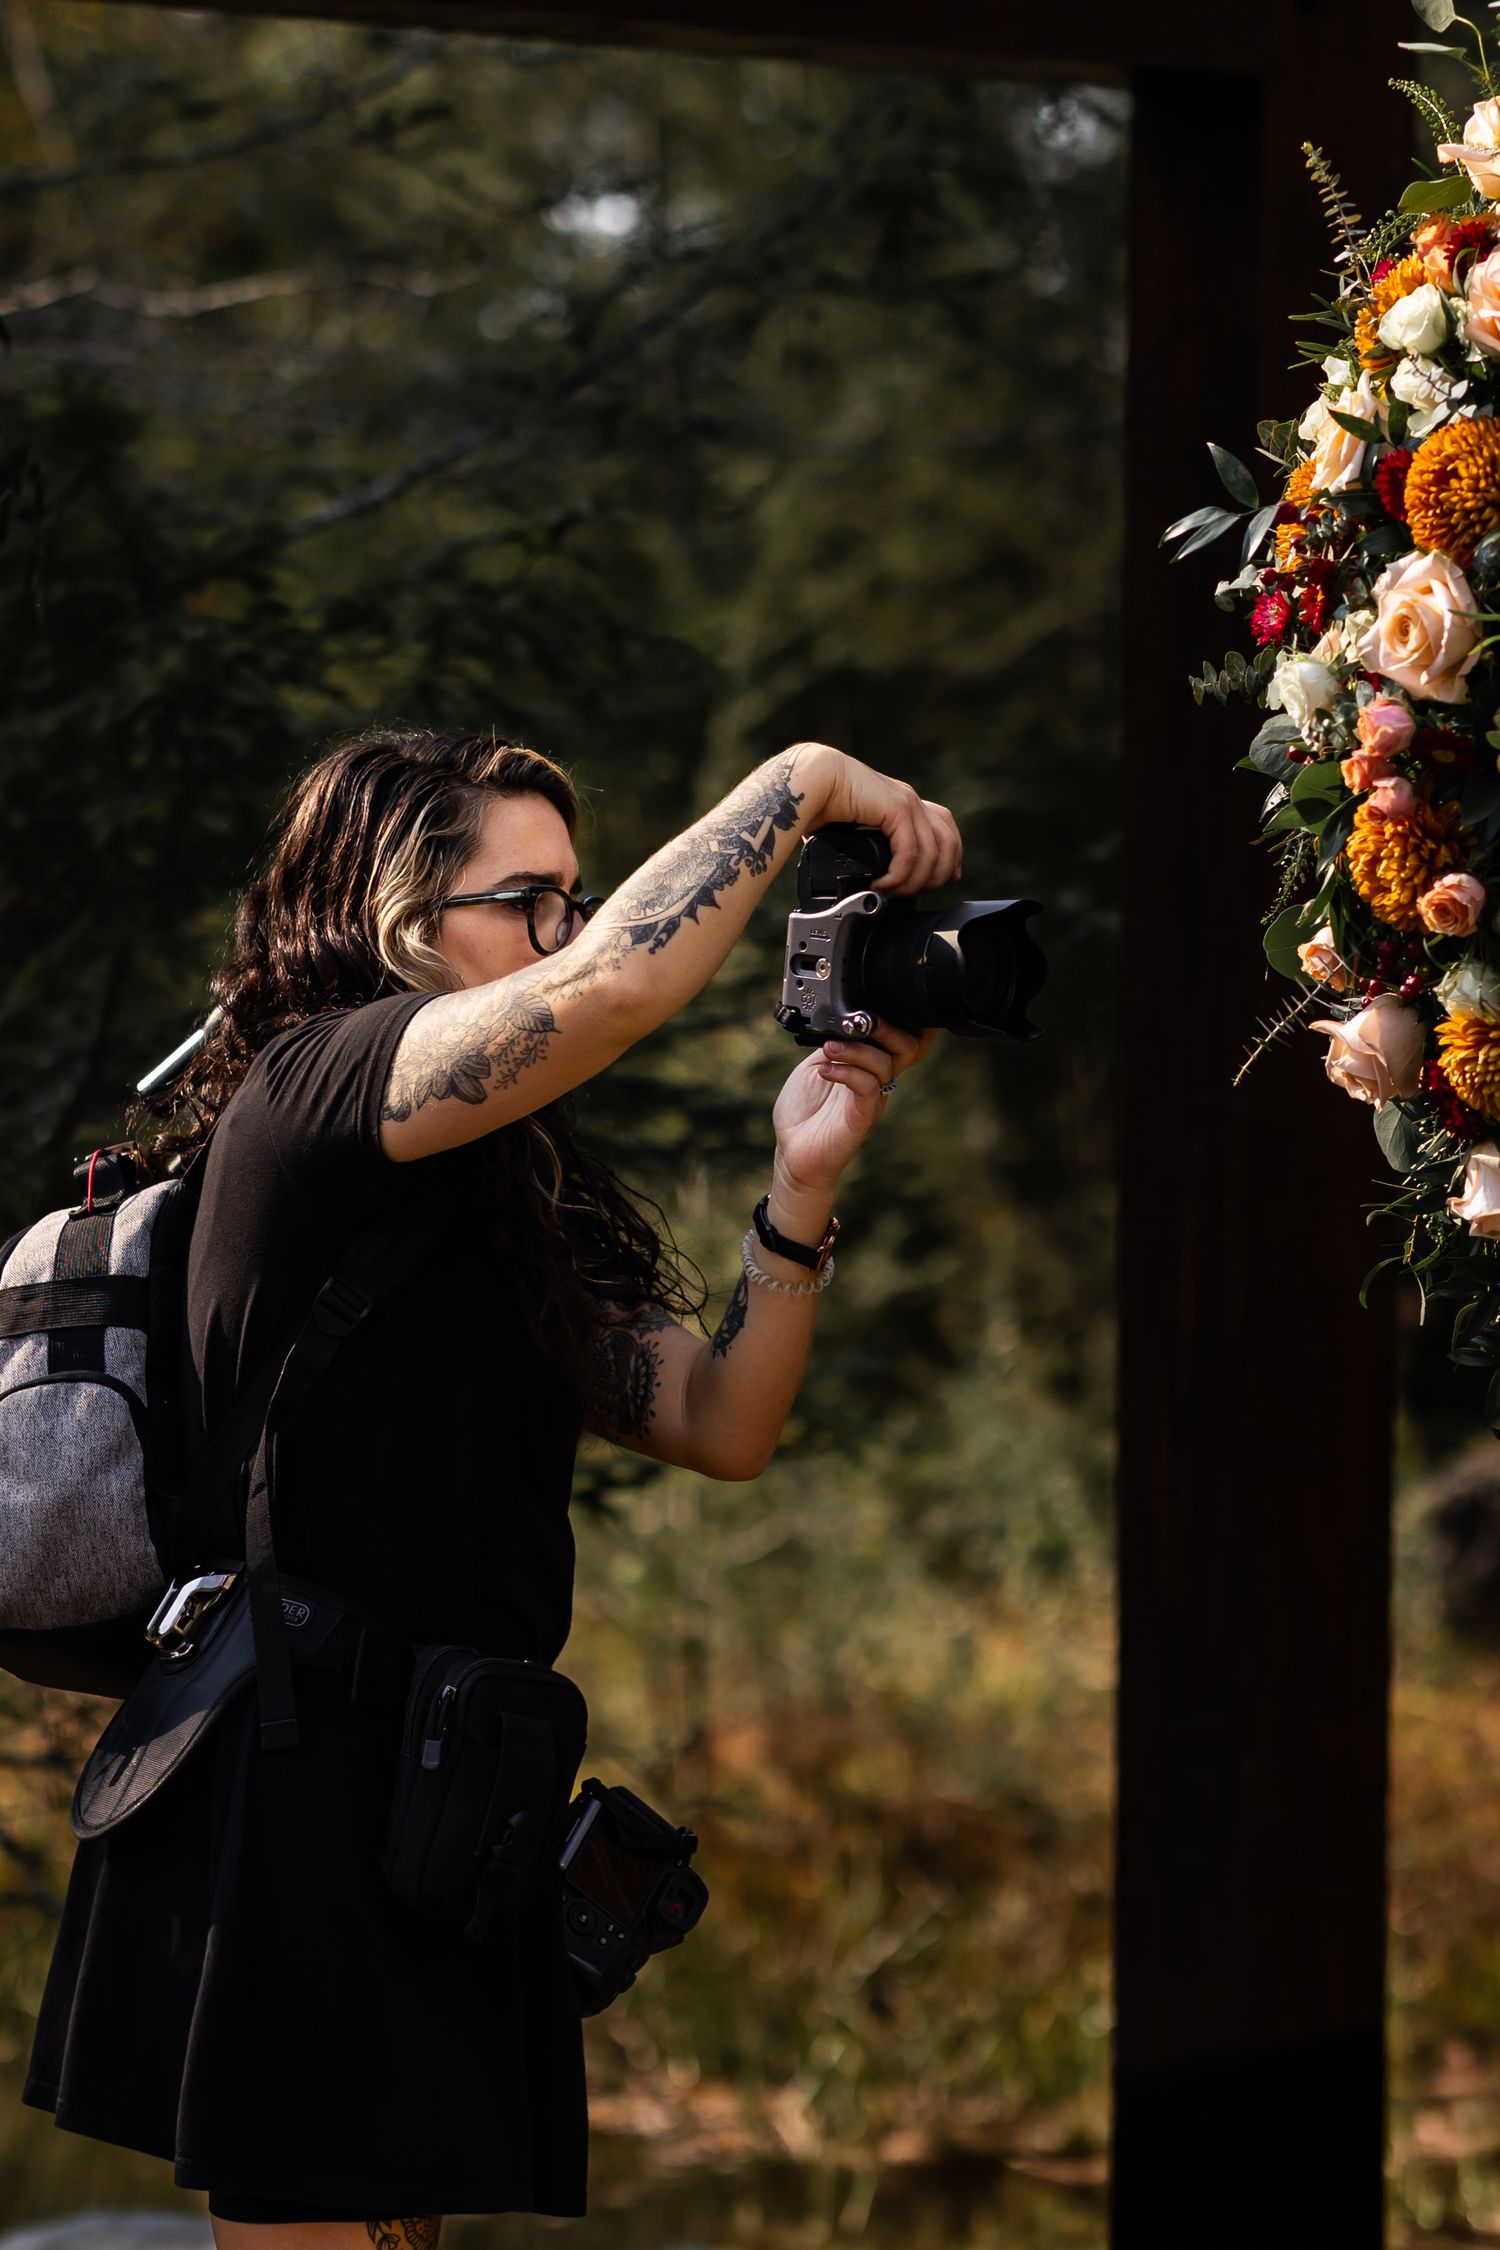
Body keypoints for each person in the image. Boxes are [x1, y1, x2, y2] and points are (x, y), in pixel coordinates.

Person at [21, 728, 962, 2248]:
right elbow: (615, 993)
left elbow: (719, 1419)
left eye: (575, 898)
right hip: (298, 1778)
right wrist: (801, 782)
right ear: (394, 916)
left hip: (448, 1784)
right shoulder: (317, 1088)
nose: (565, 935)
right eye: (527, 901)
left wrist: (802, 1189)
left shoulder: (498, 1190)